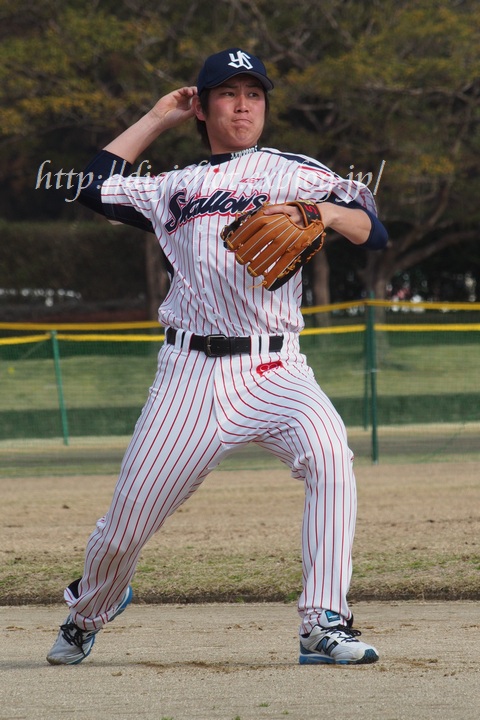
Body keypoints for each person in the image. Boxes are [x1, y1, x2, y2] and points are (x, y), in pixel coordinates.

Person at [47, 47, 388, 666]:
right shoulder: (173, 187)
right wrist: (156, 118)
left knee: (330, 452)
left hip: (275, 367)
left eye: (253, 94)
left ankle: (323, 621)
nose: (243, 106)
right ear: (202, 107)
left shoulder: (298, 173)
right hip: (189, 377)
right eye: (227, 95)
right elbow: (87, 187)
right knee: (127, 523)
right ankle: (90, 609)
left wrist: (322, 211)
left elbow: (373, 231)